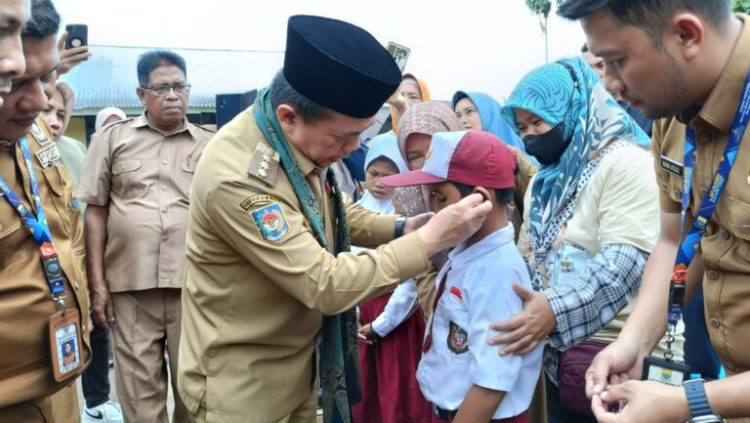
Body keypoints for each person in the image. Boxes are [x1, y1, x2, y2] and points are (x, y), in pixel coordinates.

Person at [177, 15, 491, 423]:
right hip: (242, 388)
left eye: (360, 135)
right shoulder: (239, 176)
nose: (352, 149)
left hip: (297, 370)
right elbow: (324, 283)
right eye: (344, 137)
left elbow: (335, 207)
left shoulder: (292, 142)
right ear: (290, 116)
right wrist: (426, 242)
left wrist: (401, 228)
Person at [557, 0, 750, 421]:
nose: (608, 84)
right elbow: (676, 238)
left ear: (686, 36)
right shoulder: (673, 114)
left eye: (617, 61)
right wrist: (633, 342)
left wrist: (689, 401)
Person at [492, 57, 677, 422]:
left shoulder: (625, 164)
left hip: (619, 356)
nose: (530, 135)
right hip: (554, 357)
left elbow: (623, 267)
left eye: (538, 121)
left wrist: (552, 310)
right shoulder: (545, 184)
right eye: (522, 127)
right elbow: (528, 255)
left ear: (573, 110)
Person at [77, 49, 215, 423]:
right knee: (139, 396)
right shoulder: (111, 139)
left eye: (179, 86)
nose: (173, 95)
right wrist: (97, 285)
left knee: (197, 389)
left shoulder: (211, 145)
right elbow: (95, 211)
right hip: (130, 287)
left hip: (195, 286)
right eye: (162, 88)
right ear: (141, 95)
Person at [383, 130, 542, 423]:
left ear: (480, 198)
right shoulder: (468, 252)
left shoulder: (496, 271)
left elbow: (493, 381)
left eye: (440, 198)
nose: (433, 210)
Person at [0, 1, 93, 422]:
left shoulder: (32, 129)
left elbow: (64, 223)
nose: (38, 101)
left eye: (47, 77)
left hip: (60, 379)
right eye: (14, 81)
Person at [41, 81, 123, 423]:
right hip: (37, 272)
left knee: (95, 331)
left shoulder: (74, 149)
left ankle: (96, 402)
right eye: (47, 111)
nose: (56, 121)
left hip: (77, 262)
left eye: (61, 114)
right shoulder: (14, 154)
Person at [352, 133, 432, 423]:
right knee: (366, 397)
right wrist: (356, 312)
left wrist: (382, 325)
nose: (381, 182)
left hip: (396, 319)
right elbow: (343, 263)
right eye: (374, 173)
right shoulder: (355, 209)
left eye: (391, 175)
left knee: (399, 397)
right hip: (361, 315)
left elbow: (411, 281)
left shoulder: (410, 213)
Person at [580, 43, 654, 138]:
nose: (594, 73)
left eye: (601, 65)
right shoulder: (586, 118)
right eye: (588, 69)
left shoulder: (648, 111)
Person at [451, 90, 529, 155]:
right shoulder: (458, 157)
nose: (462, 121)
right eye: (458, 116)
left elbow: (532, 172)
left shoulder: (527, 151)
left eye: (469, 111)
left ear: (488, 113)